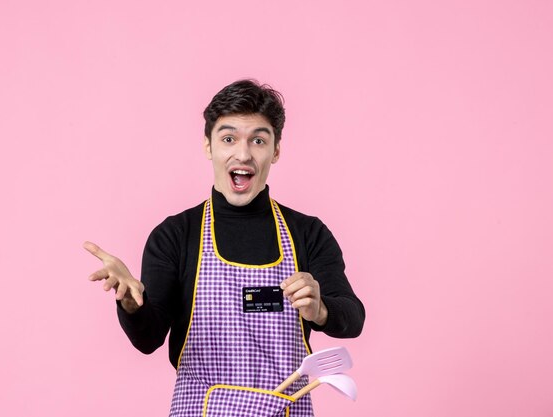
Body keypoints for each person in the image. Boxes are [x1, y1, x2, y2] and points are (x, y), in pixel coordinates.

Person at [83, 79, 365, 416]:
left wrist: (321, 310)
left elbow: (354, 317)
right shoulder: (176, 235)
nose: (243, 154)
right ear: (208, 146)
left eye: (258, 140)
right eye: (228, 138)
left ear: (275, 150)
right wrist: (131, 304)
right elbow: (148, 340)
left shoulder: (308, 234)